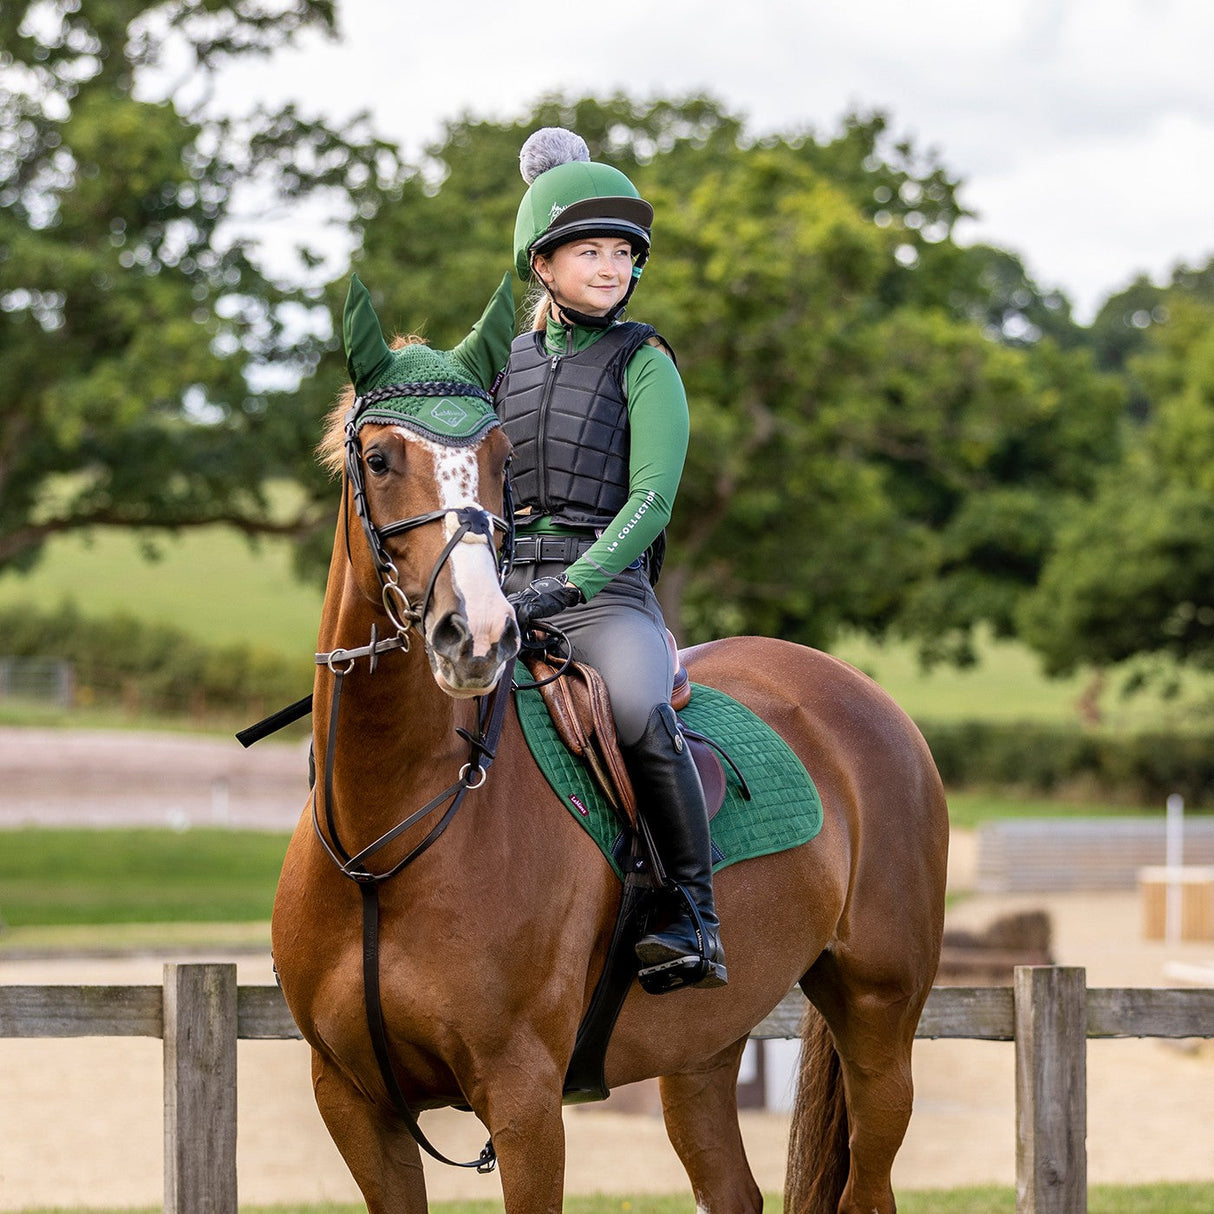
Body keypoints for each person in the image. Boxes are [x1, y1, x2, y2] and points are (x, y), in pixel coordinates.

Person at [497, 128, 725, 993]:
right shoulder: (504, 366)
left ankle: (694, 917)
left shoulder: (646, 363)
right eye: (589, 250)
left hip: (604, 596)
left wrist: (569, 585)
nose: (610, 266)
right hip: (504, 590)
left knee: (634, 708)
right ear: (543, 264)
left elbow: (651, 502)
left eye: (623, 253)